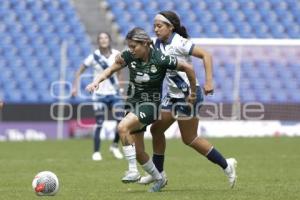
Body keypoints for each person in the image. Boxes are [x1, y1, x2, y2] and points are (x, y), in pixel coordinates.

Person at [86, 27, 197, 192]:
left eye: (133, 46)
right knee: (138, 152)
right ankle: (160, 179)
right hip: (132, 104)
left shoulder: (160, 58)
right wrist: (97, 81)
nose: (131, 50)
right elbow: (110, 69)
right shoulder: (129, 56)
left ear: (145, 43)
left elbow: (188, 68)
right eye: (129, 46)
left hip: (150, 105)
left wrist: (193, 93)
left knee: (122, 127)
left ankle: (132, 171)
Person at [137, 11, 238, 188]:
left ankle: (227, 165)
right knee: (156, 130)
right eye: (154, 25)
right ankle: (159, 175)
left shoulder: (180, 42)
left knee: (189, 138)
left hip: (188, 95)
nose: (155, 29)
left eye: (159, 25)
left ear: (171, 27)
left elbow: (206, 55)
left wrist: (208, 81)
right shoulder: (157, 44)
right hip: (172, 96)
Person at [72, 32, 124, 161]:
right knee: (99, 122)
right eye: (100, 38)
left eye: (106, 37)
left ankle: (115, 146)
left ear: (109, 40)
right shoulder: (93, 57)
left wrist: (121, 88)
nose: (103, 40)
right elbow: (79, 71)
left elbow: (119, 71)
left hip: (114, 93)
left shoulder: (117, 54)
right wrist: (75, 86)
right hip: (99, 94)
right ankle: (96, 152)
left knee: (121, 121)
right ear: (98, 41)